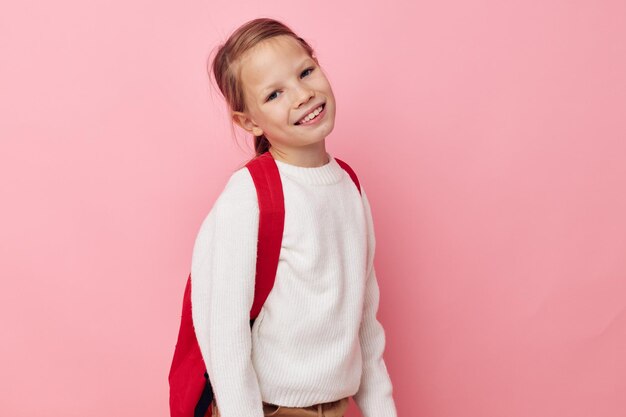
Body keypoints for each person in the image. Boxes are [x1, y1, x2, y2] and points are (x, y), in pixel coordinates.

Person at [191, 17, 398, 417]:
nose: (303, 95)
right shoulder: (248, 196)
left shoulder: (350, 187)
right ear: (249, 122)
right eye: (274, 95)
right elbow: (225, 337)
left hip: (334, 409)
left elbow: (365, 326)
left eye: (306, 71)